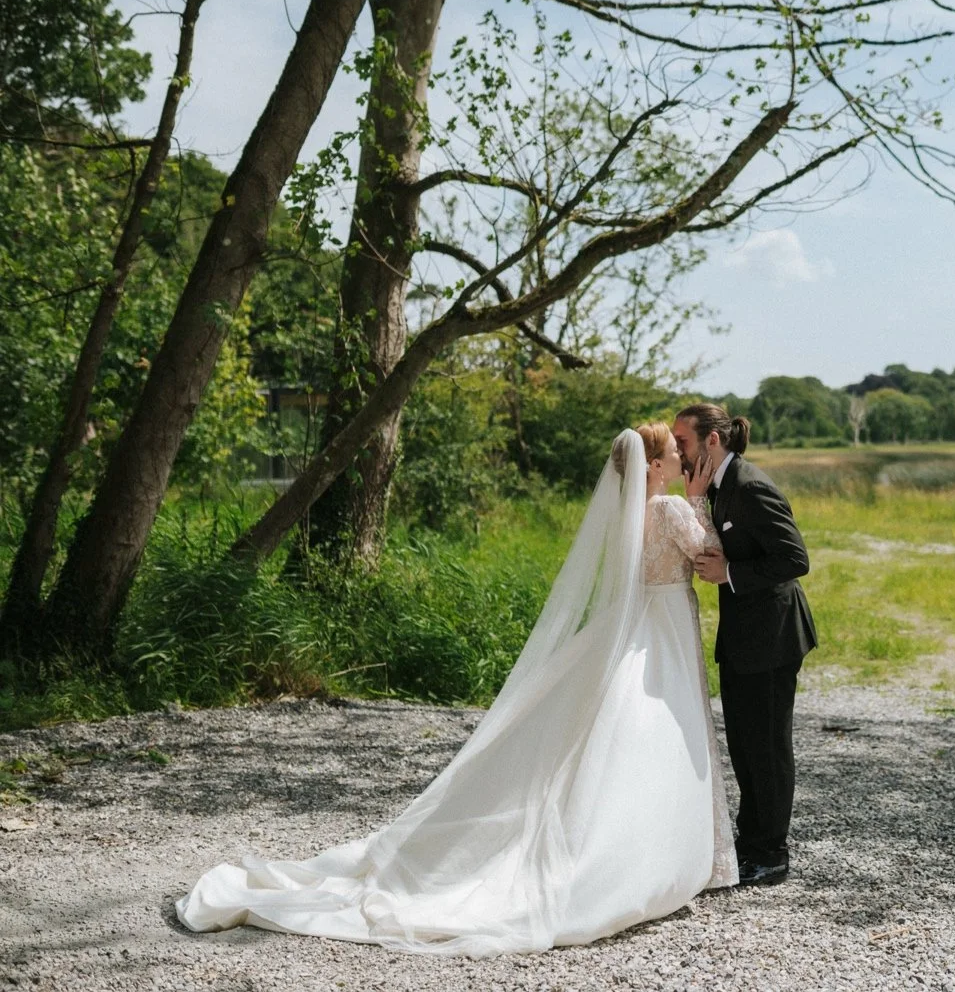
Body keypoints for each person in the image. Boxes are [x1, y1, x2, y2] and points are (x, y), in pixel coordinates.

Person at [175, 425, 737, 956]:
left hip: (636, 622)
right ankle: (644, 856)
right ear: (657, 465)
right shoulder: (666, 507)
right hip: (659, 627)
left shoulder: (627, 514)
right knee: (652, 735)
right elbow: (704, 548)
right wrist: (699, 500)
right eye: (675, 456)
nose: (683, 462)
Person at [672, 404, 817, 887]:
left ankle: (771, 854)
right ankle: (749, 840)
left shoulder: (751, 485)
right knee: (743, 746)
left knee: (768, 749)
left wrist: (729, 574)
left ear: (713, 441)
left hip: (773, 639)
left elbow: (795, 558)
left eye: (684, 441)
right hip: (741, 640)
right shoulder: (715, 487)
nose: (678, 450)